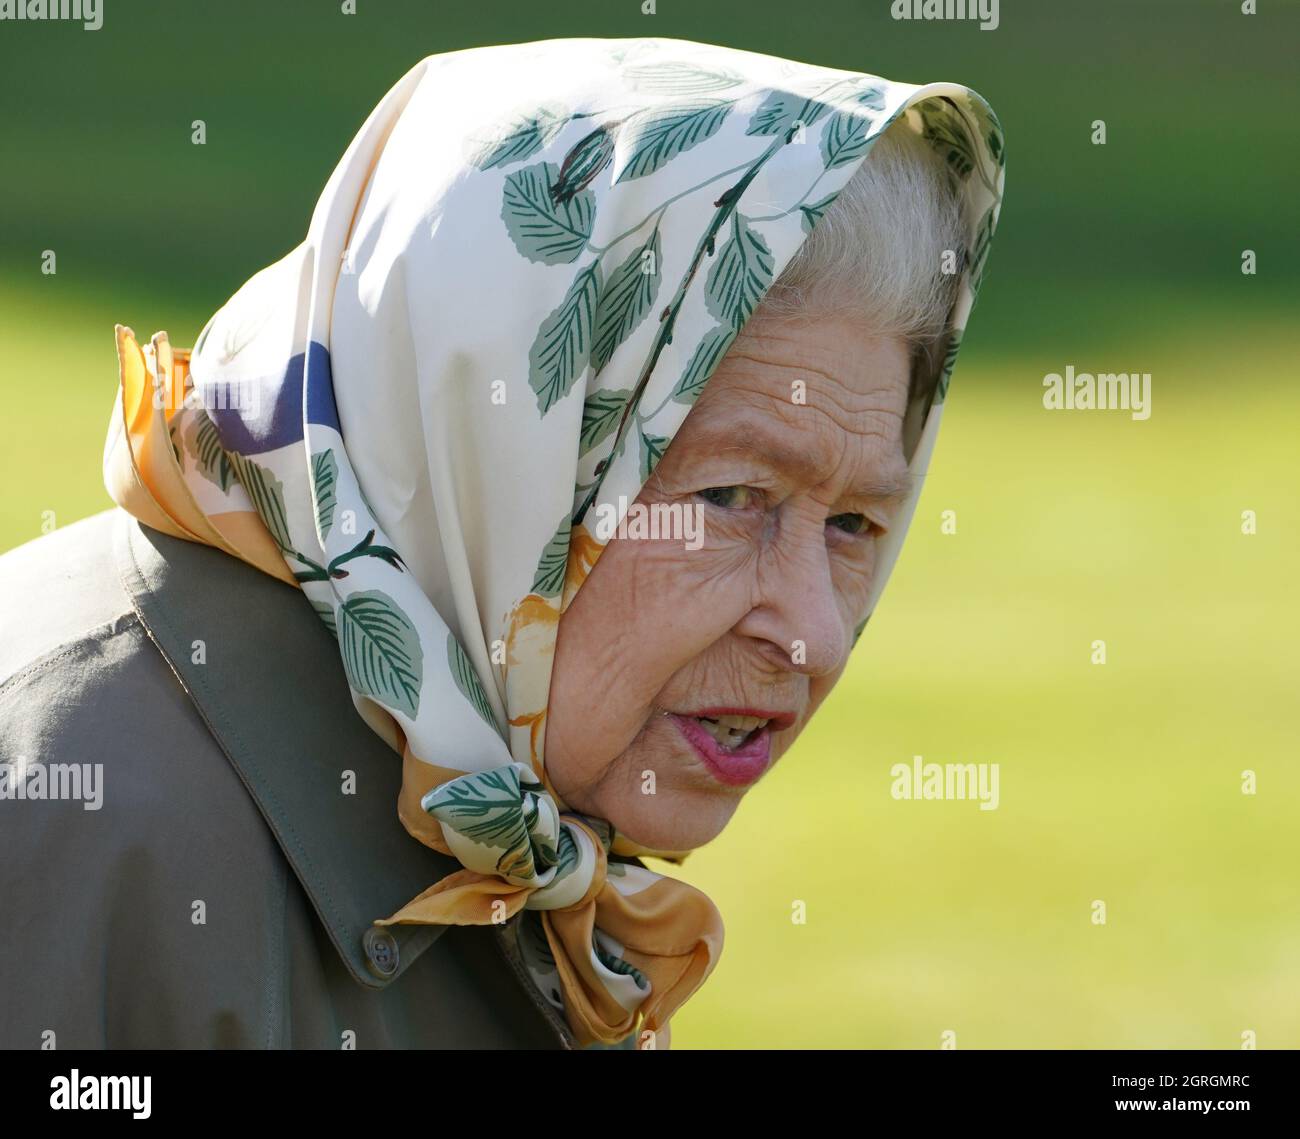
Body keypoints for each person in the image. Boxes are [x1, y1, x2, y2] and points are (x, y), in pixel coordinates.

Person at [0, 36, 1005, 1049]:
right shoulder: (71, 815)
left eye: (852, 524)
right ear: (480, 444)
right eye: (731, 496)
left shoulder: (498, 817)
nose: (815, 636)